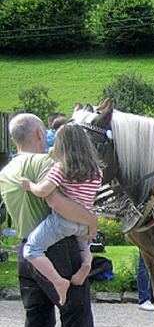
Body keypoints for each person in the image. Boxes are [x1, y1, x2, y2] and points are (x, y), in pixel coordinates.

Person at [0, 113, 105, 327]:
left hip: (27, 253)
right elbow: (61, 204)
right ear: (36, 132)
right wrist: (92, 220)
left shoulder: (7, 171)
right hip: (57, 251)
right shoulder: (44, 165)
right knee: (78, 322)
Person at [19, 124, 102, 307]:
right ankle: (86, 264)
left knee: (31, 249)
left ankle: (58, 281)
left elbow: (43, 191)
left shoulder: (61, 168)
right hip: (84, 223)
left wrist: (29, 185)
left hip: (63, 222)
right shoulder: (96, 170)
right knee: (83, 249)